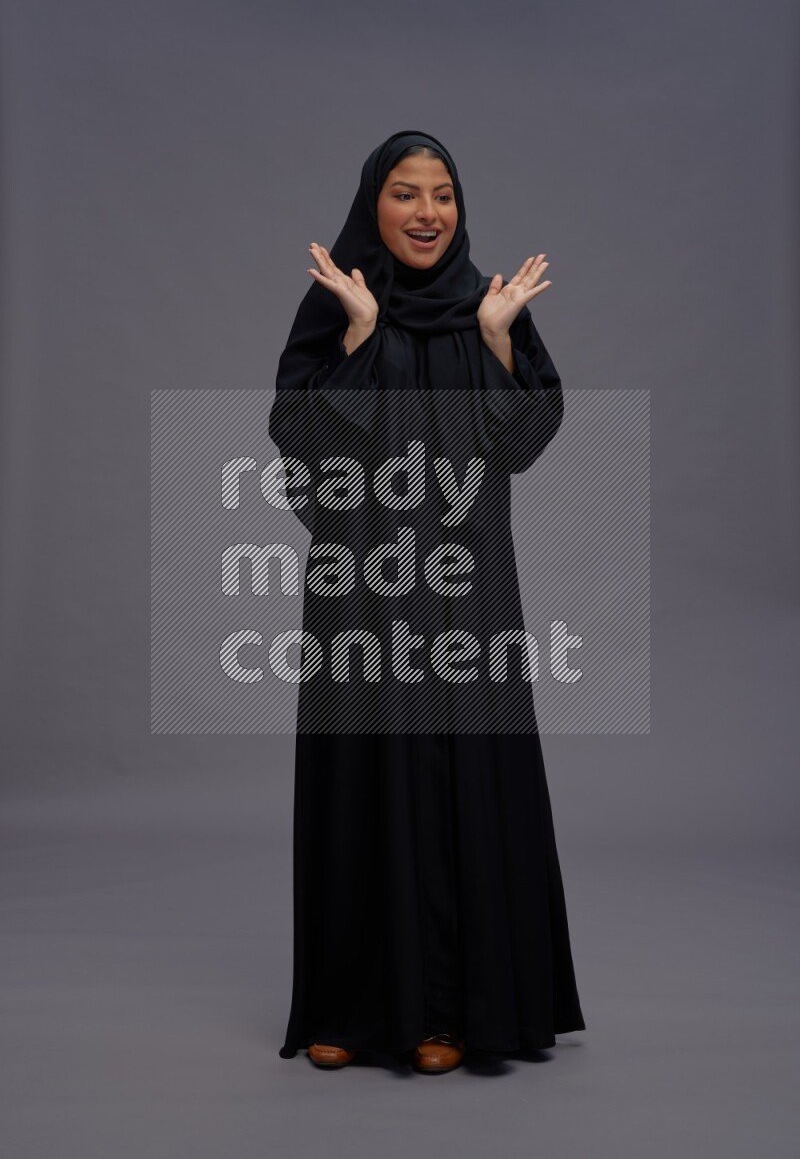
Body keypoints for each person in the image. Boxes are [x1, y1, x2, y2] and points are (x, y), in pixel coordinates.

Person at [269, 129, 586, 1074]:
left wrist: (496, 345)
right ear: (374, 204)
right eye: (405, 193)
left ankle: (450, 1010)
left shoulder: (486, 309)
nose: (426, 213)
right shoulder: (335, 308)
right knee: (362, 780)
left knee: (457, 781)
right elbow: (305, 446)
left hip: (466, 592)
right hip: (360, 591)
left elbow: (519, 445)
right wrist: (363, 340)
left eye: (441, 193)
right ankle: (348, 1003)